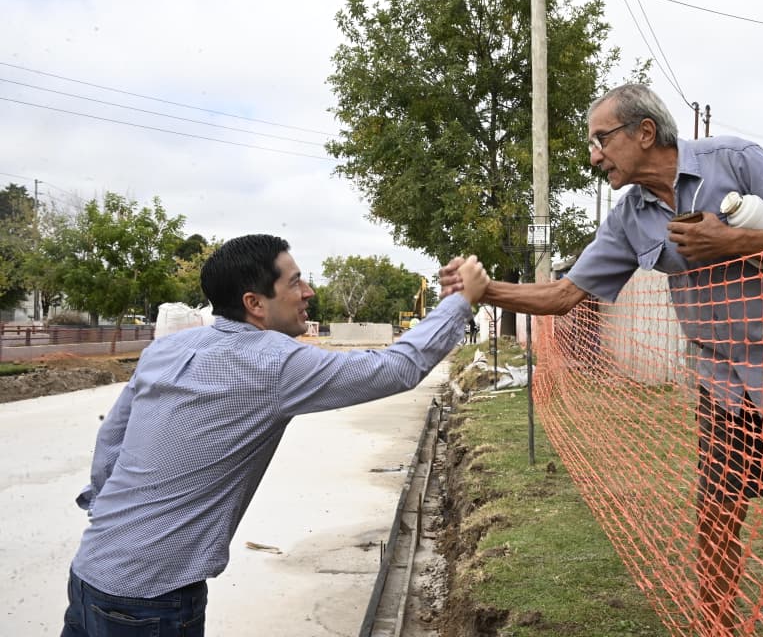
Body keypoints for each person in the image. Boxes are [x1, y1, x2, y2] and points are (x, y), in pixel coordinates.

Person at [442, 84, 763, 636]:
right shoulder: (630, 217)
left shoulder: (734, 161)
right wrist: (485, 291)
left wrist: (731, 242)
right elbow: (564, 295)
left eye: (601, 139)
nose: (594, 156)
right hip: (725, 381)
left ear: (644, 132)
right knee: (715, 517)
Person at [61, 234, 488, 637]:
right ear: (255, 303)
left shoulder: (166, 349)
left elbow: (110, 443)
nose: (309, 293)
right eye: (295, 282)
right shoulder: (273, 363)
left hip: (90, 571)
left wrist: (114, 520)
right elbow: (396, 368)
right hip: (151, 599)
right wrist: (460, 302)